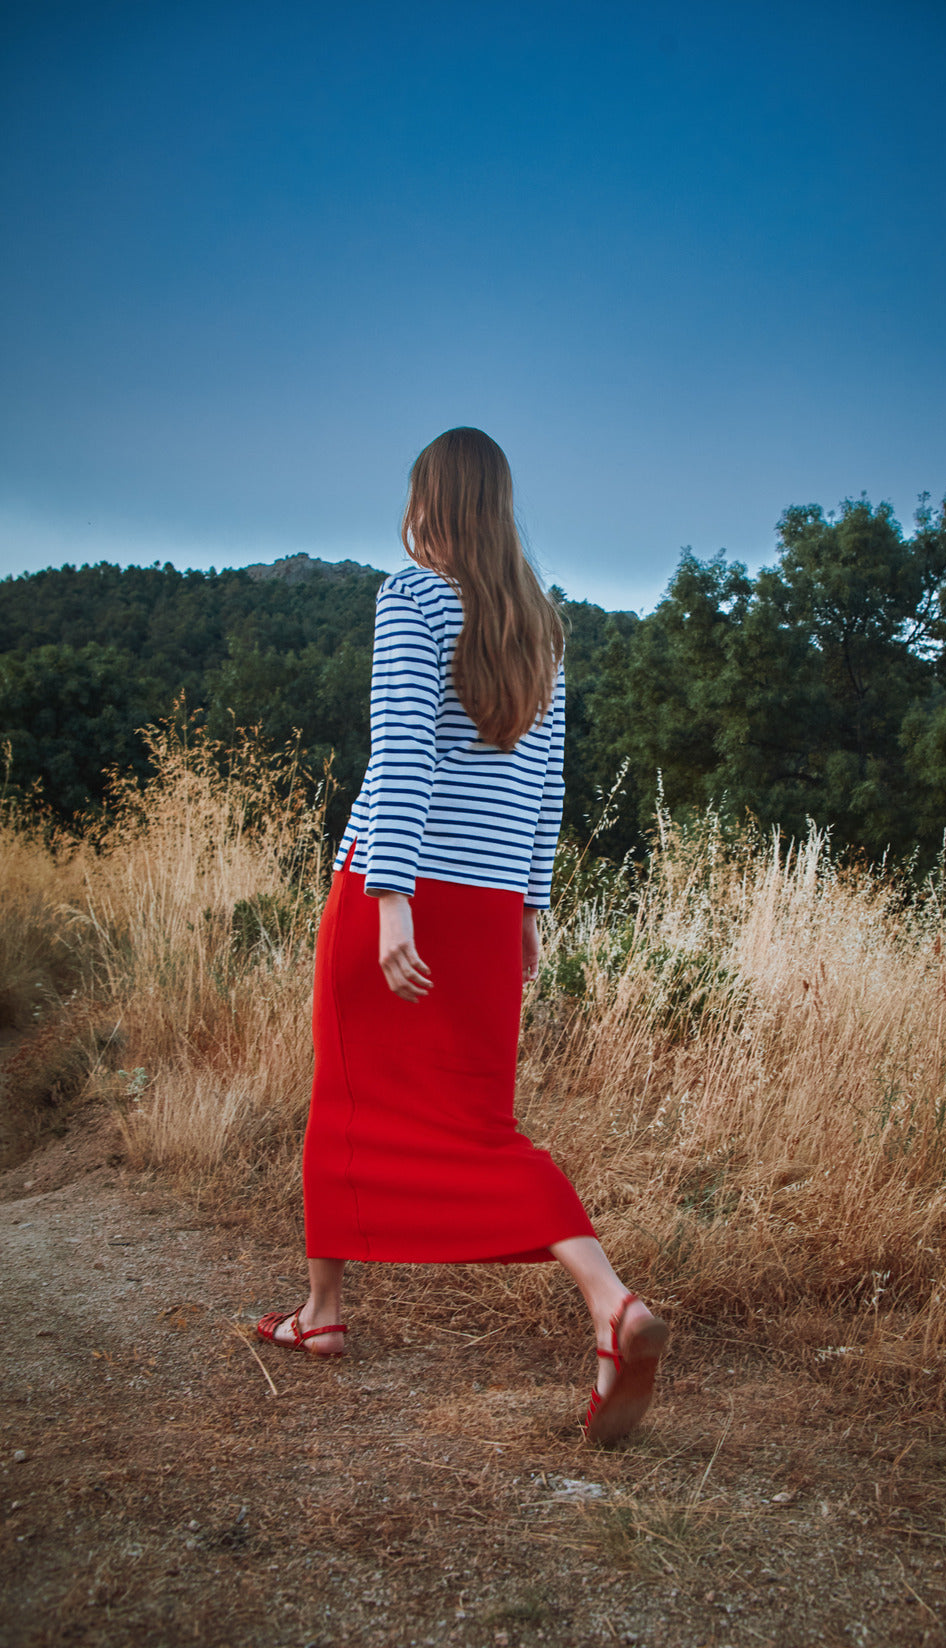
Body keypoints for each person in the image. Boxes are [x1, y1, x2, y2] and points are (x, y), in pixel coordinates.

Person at [257, 427, 667, 1444]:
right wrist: (530, 907)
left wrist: (390, 894)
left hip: (396, 886)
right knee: (479, 1123)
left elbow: (400, 750)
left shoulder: (416, 594)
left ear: (430, 499)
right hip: (488, 908)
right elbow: (545, 788)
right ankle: (602, 1299)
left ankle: (325, 1313)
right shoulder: (539, 623)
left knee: (344, 1084)